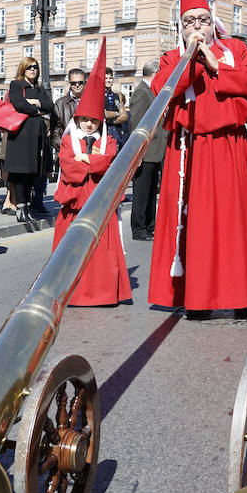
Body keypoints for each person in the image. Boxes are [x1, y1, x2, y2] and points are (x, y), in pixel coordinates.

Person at [148, 0, 247, 321]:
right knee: (194, 225)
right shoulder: (172, 56)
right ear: (180, 27)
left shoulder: (234, 49)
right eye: (190, 22)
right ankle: (194, 296)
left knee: (237, 223)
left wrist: (216, 64)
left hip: (230, 147)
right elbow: (163, 90)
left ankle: (244, 296)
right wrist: (191, 58)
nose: (198, 27)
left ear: (213, 20)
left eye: (203, 20)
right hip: (189, 151)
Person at [52, 38, 131, 306]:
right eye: (84, 120)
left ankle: (103, 292)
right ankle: (71, 292)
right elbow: (68, 165)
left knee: (100, 250)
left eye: (94, 120)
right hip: (75, 204)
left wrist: (86, 159)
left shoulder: (107, 139)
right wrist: (89, 161)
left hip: (99, 205)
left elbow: (109, 161)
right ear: (77, 120)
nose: (89, 124)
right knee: (73, 249)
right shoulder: (67, 139)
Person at [4, 57, 53, 222]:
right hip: (20, 136)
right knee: (20, 174)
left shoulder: (38, 89)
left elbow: (50, 106)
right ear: (23, 69)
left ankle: (27, 207)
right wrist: (37, 110)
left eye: (35, 67)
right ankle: (20, 208)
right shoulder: (16, 85)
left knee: (32, 173)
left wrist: (36, 102)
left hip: (37, 136)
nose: (33, 70)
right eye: (29, 67)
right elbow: (19, 105)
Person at [129, 59, 167, 240]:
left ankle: (150, 226)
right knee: (142, 192)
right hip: (146, 151)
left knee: (151, 191)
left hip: (155, 150)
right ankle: (139, 228)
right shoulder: (141, 93)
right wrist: (139, 150)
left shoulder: (151, 91)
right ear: (155, 73)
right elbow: (137, 123)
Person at [51, 68, 87, 154]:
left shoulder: (91, 101)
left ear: (85, 82)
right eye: (74, 83)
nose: (77, 85)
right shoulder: (60, 103)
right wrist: (64, 149)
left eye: (80, 82)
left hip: (88, 151)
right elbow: (55, 131)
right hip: (67, 151)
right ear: (69, 83)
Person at [104, 68, 129, 151]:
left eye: (110, 78)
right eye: (106, 78)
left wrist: (112, 120)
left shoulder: (117, 96)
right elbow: (103, 114)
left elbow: (124, 116)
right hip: (104, 132)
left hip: (117, 132)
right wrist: (117, 114)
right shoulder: (98, 96)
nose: (108, 80)